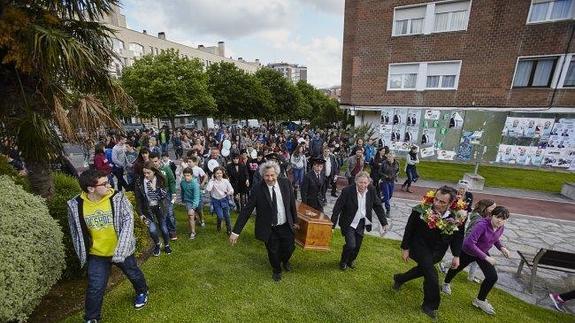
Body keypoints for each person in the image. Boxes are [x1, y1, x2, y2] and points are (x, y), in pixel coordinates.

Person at [67, 169, 148, 322]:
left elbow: (128, 221)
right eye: (104, 183)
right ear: (91, 188)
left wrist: (121, 251)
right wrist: (82, 251)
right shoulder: (75, 205)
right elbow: (75, 230)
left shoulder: (117, 197)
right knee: (95, 287)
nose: (109, 185)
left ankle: (142, 291)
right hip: (97, 254)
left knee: (133, 273)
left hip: (121, 251)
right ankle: (91, 318)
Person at [392, 186, 465, 320]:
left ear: (451, 203)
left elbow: (458, 236)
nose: (437, 203)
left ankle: (399, 278)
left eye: (442, 202)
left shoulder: (458, 216)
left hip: (438, 252)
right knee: (432, 275)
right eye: (436, 199)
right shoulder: (421, 209)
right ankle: (429, 306)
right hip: (419, 247)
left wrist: (456, 255)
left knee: (424, 270)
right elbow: (409, 228)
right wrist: (405, 248)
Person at [229, 161, 298, 282]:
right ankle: (276, 270)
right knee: (273, 251)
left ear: (277, 174)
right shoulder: (257, 189)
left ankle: (285, 260)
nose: (270, 178)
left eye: (272, 175)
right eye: (267, 175)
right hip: (269, 227)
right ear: (262, 175)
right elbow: (246, 211)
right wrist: (236, 232)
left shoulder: (286, 183)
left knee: (290, 247)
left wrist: (295, 221)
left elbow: (292, 203)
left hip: (286, 225)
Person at [441, 206, 511, 315]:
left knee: (492, 277)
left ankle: (480, 300)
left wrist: (502, 248)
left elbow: (495, 238)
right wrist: (486, 257)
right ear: (492, 215)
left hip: (482, 252)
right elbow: (469, 242)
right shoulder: (482, 225)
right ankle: (445, 283)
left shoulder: (500, 227)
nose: (500, 220)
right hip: (468, 251)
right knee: (456, 268)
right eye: (498, 217)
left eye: (503, 219)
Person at [331, 171, 388, 270]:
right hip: (349, 222)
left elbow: (378, 206)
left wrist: (384, 223)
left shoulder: (371, 190)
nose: (363, 185)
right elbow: (337, 208)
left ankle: (350, 260)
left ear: (368, 183)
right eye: (360, 182)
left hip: (361, 222)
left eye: (365, 183)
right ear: (356, 181)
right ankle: (343, 261)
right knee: (351, 245)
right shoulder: (347, 191)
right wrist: (332, 225)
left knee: (357, 246)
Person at [133, 161, 172, 256]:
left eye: (148, 173)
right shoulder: (139, 182)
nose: (146, 175)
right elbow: (138, 199)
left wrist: (155, 188)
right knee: (152, 230)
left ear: (154, 172)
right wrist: (140, 213)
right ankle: (157, 244)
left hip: (160, 207)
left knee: (163, 228)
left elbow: (164, 195)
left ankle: (167, 245)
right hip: (147, 209)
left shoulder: (160, 179)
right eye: (144, 173)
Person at [150, 152, 178, 241]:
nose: (154, 163)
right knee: (161, 214)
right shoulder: (150, 171)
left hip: (167, 193)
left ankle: (172, 230)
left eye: (155, 161)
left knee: (169, 213)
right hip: (156, 195)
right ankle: (164, 230)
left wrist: (173, 193)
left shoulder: (166, 169)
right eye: (152, 162)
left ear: (159, 160)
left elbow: (172, 181)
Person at [205, 166, 235, 235]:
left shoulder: (225, 181)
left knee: (227, 215)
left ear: (222, 173)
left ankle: (229, 230)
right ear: (214, 174)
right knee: (220, 216)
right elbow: (208, 189)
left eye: (220, 173)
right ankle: (219, 224)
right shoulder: (212, 182)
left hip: (224, 199)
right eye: (217, 173)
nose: (219, 175)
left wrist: (229, 192)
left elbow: (231, 190)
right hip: (216, 201)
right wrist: (211, 180)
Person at [180, 167, 201, 240]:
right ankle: (193, 232)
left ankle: (198, 219)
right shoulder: (182, 182)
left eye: (188, 175)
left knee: (196, 213)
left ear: (192, 175)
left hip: (197, 200)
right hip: (188, 201)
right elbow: (182, 192)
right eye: (185, 175)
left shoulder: (195, 184)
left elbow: (196, 197)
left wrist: (193, 207)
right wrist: (182, 199)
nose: (186, 177)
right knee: (190, 215)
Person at [380, 150, 399, 215]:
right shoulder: (384, 163)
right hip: (385, 181)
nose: (390, 155)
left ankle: (379, 202)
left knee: (390, 196)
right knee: (387, 195)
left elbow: (397, 171)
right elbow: (380, 172)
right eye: (389, 154)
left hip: (392, 181)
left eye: (391, 154)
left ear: (394, 156)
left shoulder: (397, 163)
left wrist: (396, 177)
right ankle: (388, 210)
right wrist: (385, 176)